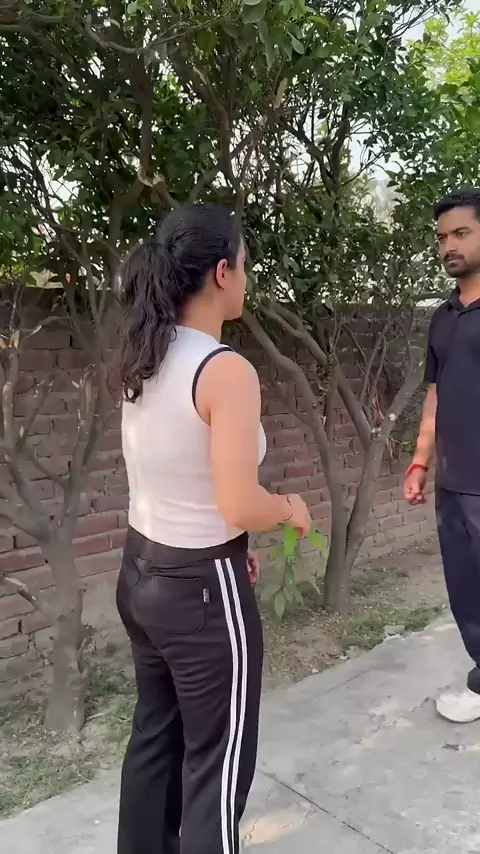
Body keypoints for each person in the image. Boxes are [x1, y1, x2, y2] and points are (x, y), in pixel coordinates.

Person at [116, 202, 311, 854]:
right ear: (223, 273)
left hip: (141, 574)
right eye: (245, 266)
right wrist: (288, 508)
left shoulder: (146, 353)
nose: (247, 280)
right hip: (199, 593)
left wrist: (230, 547)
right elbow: (240, 503)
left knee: (155, 738)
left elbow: (174, 476)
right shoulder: (225, 369)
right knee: (217, 765)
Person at [404, 188, 480, 724]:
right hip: (453, 484)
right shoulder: (443, 317)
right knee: (466, 593)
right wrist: (419, 462)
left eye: (461, 233)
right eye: (442, 238)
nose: (449, 246)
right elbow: (435, 394)